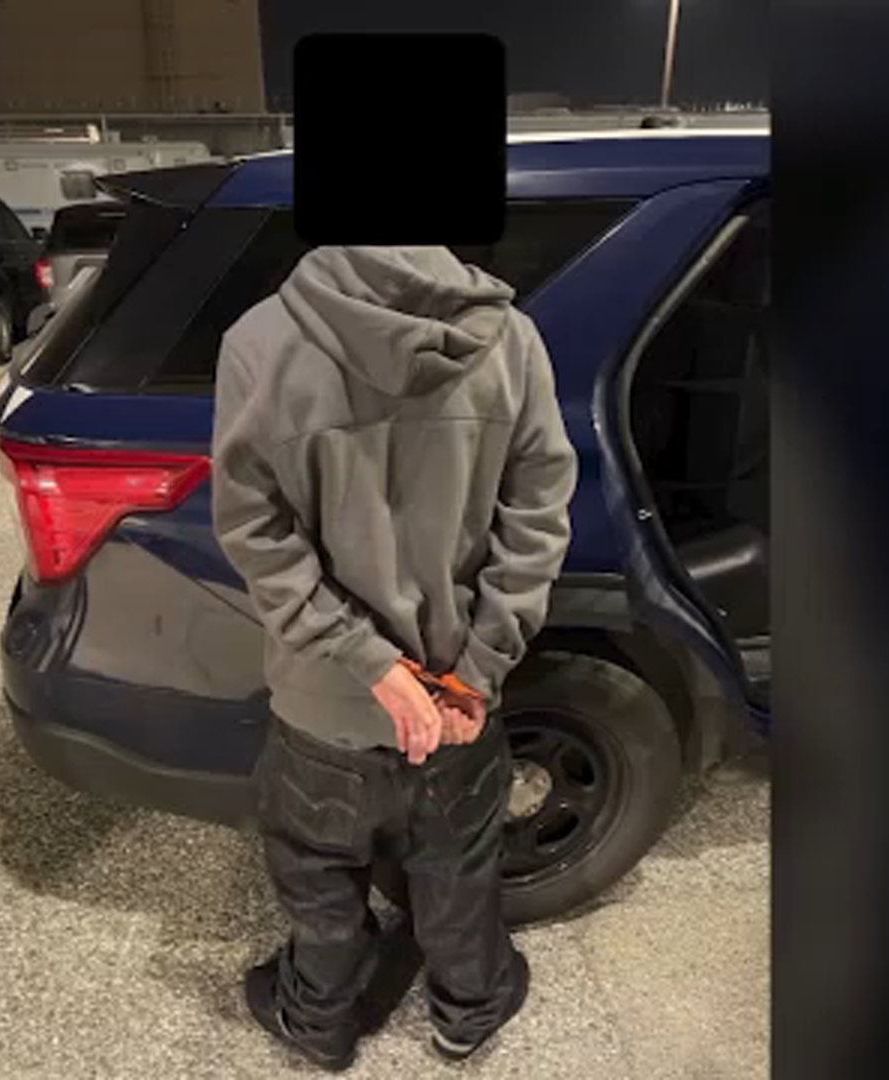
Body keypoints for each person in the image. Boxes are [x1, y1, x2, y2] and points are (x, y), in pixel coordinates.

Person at [211, 246, 579, 1070]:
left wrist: (367, 662)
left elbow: (255, 532)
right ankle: (469, 1012)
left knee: (318, 879)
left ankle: (318, 1021)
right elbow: (539, 518)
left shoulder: (259, 341)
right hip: (458, 700)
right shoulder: (510, 339)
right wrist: (479, 666)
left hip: (321, 705)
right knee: (459, 867)